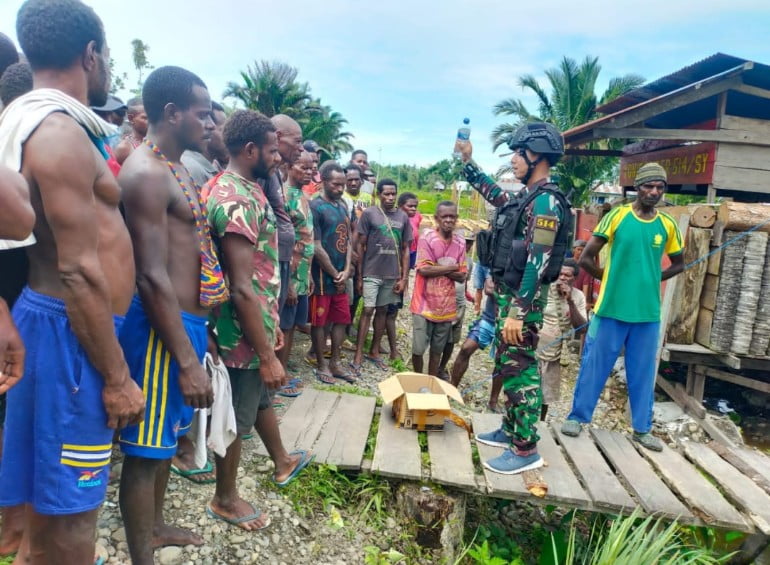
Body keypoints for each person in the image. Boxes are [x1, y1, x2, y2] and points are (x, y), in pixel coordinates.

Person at [0, 2, 146, 563]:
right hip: (71, 334)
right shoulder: (60, 134)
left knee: (45, 509)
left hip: (59, 324)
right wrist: (115, 379)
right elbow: (78, 269)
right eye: (106, 56)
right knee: (72, 515)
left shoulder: (36, 122)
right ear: (91, 55)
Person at [117, 66, 225, 564]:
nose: (210, 123)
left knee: (163, 438)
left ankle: (156, 527)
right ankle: (142, 554)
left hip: (188, 324)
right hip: (165, 328)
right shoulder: (145, 173)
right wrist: (184, 360)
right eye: (202, 114)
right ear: (172, 112)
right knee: (144, 450)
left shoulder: (177, 165)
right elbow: (151, 275)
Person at [206, 109, 312, 531]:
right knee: (235, 415)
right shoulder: (234, 200)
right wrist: (265, 352)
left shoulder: (248, 188)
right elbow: (241, 286)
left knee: (261, 398)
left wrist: (270, 333)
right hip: (240, 334)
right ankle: (225, 498)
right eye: (272, 150)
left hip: (255, 326)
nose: (278, 158)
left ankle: (282, 461)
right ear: (250, 150)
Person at [457, 122, 566, 475]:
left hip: (524, 303)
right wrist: (469, 163)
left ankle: (525, 448)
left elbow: (538, 261)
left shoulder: (547, 202)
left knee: (520, 371)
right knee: (507, 364)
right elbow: (496, 195)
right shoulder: (526, 198)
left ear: (537, 156)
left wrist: (518, 312)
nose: (514, 160)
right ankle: (510, 429)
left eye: (519, 154)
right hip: (509, 299)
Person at [561, 163, 684, 452]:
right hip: (611, 308)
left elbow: (679, 263)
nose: (654, 192)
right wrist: (609, 278)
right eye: (648, 186)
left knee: (642, 372)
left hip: (647, 313)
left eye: (659, 187)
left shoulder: (667, 225)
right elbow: (586, 258)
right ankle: (577, 417)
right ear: (637, 188)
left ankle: (642, 429)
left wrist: (654, 278)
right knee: (595, 364)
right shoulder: (617, 216)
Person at [351, 178, 412, 374]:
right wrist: (359, 275)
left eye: (393, 194)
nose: (390, 197)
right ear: (378, 195)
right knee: (367, 310)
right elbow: (360, 244)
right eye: (386, 194)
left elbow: (405, 249)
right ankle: (358, 354)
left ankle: (374, 351)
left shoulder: (402, 217)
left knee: (383, 311)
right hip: (371, 270)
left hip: (391, 274)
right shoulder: (370, 214)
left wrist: (404, 278)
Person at [410, 201, 466, 376]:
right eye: (444, 216)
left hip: (446, 306)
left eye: (452, 216)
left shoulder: (460, 242)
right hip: (423, 303)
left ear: (456, 218)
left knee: (437, 350)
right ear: (437, 219)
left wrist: (437, 267)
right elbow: (424, 270)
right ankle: (418, 378)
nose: (448, 220)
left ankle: (430, 382)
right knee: (418, 349)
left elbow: (463, 275)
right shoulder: (427, 238)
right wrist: (452, 267)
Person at [309, 161, 353, 384]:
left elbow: (348, 241)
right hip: (321, 279)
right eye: (336, 184)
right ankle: (322, 363)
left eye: (342, 185)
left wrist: (346, 270)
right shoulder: (315, 207)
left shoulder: (343, 206)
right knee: (319, 322)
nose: (340, 189)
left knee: (342, 319)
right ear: (324, 181)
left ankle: (335, 361)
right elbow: (316, 246)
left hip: (340, 276)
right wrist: (334, 273)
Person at [278, 150, 315, 378]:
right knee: (284, 325)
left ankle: (284, 370)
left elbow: (306, 238)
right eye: (304, 167)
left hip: (302, 274)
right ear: (290, 166)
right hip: (289, 276)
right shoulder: (284, 196)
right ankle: (278, 374)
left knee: (292, 325)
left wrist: (307, 273)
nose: (309, 172)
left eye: (312, 168)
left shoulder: (302, 196)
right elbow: (283, 243)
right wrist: (289, 283)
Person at [537, 259, 586, 419]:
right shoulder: (544, 288)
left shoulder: (578, 297)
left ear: (574, 279)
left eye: (568, 275)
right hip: (535, 347)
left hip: (554, 353)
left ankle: (541, 423)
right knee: (526, 388)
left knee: (546, 394)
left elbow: (582, 328)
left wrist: (570, 301)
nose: (563, 278)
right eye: (561, 273)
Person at [266, 115, 303, 315]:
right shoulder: (264, 174)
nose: (301, 148)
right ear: (278, 137)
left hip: (281, 259)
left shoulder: (276, 174)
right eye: (297, 141)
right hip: (270, 261)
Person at [437, 229, 475, 380]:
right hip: (443, 301)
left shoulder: (469, 262)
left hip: (459, 304)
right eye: (465, 242)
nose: (468, 246)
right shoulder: (446, 258)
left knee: (452, 338)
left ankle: (441, 367)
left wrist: (467, 296)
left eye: (470, 243)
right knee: (439, 335)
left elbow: (464, 283)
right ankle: (433, 367)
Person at [182, 100, 228, 187]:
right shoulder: (193, 169)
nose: (230, 137)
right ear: (209, 128)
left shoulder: (209, 168)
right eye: (224, 130)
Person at [114, 96, 148, 164]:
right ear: (131, 118)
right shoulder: (124, 148)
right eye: (145, 118)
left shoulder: (154, 143)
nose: (150, 121)